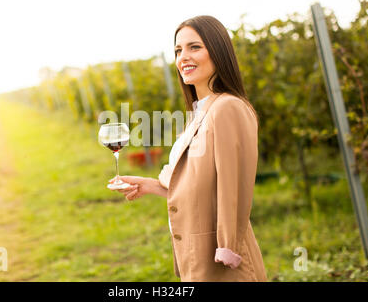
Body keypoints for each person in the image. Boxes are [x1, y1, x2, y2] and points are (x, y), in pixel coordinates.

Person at [109, 15, 267, 282]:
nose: (183, 57)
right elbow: (199, 183)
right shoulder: (200, 111)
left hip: (222, 262)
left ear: (217, 50)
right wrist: (150, 185)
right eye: (178, 50)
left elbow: (233, 186)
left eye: (195, 47)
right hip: (198, 258)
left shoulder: (227, 107)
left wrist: (227, 246)